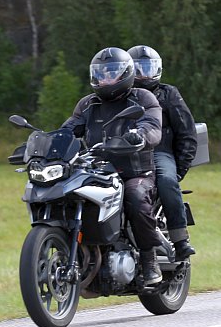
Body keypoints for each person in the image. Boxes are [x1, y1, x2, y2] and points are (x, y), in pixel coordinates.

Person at [61, 47, 166, 285]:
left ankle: (150, 261)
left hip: (135, 171)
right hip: (96, 169)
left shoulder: (142, 98)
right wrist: (46, 142)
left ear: (127, 73)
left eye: (112, 73)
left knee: (136, 197)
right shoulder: (88, 104)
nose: (106, 79)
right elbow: (68, 129)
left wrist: (140, 135)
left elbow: (152, 126)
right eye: (101, 73)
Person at [128, 45, 197, 260]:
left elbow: (187, 132)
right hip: (123, 154)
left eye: (148, 68)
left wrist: (179, 171)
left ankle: (180, 239)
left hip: (158, 152)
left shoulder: (168, 94)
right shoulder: (120, 95)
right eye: (138, 69)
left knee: (167, 181)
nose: (144, 74)